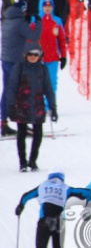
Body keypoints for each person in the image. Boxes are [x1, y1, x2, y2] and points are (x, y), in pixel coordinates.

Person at [8, 43, 56, 172]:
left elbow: (48, 88)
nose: (33, 57)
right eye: (30, 54)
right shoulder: (20, 67)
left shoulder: (43, 69)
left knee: (38, 133)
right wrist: (11, 105)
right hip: (21, 105)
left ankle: (33, 160)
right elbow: (12, 87)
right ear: (25, 55)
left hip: (37, 105)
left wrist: (53, 107)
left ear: (39, 56)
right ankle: (22, 162)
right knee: (22, 133)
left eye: (36, 55)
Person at [15, 169, 91, 248]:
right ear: (62, 178)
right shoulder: (65, 188)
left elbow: (25, 196)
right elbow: (88, 192)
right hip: (59, 222)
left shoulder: (42, 186)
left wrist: (20, 207)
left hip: (44, 221)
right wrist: (88, 207)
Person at [1, 0, 43, 136]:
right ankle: (23, 123)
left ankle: (3, 122)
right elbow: (34, 36)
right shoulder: (19, 23)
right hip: (16, 62)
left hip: (6, 60)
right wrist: (38, 22)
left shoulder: (7, 20)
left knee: (8, 90)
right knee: (23, 91)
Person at [37, 0, 67, 98]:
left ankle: (50, 106)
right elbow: (30, 40)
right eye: (45, 6)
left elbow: (62, 40)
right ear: (42, 7)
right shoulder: (37, 21)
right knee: (40, 84)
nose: (47, 8)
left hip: (53, 58)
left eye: (49, 6)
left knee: (52, 83)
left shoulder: (57, 21)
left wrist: (63, 56)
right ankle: (41, 107)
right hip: (39, 59)